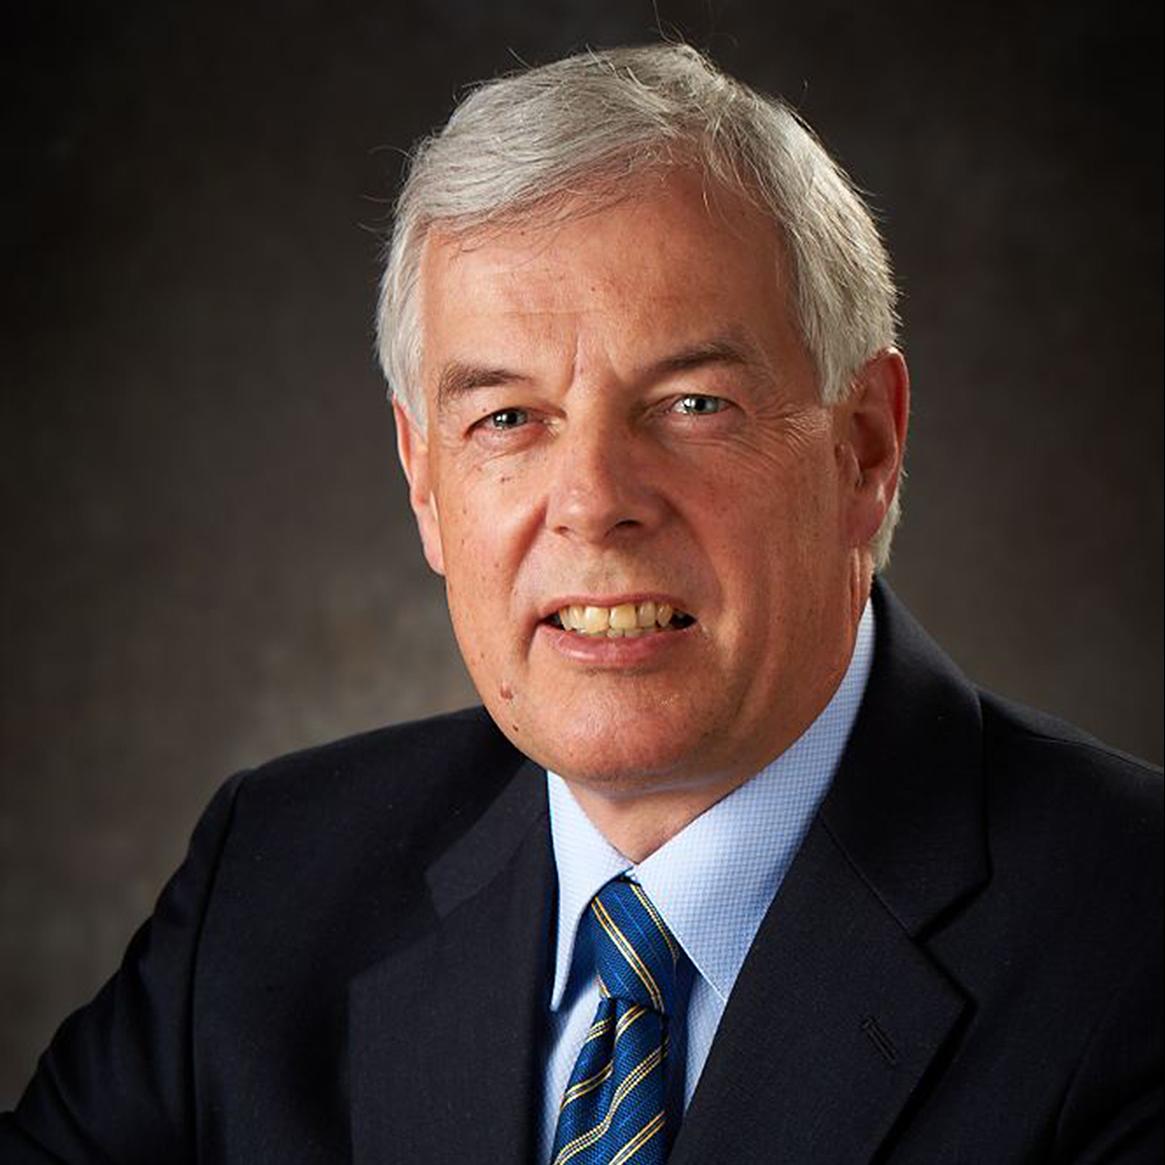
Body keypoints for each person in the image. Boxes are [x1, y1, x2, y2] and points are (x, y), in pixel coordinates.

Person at [2, 43, 1160, 1165]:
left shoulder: (1129, 939)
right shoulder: (269, 883)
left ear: (863, 450)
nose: (593, 502)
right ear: (424, 480)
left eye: (693, 402)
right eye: (506, 417)